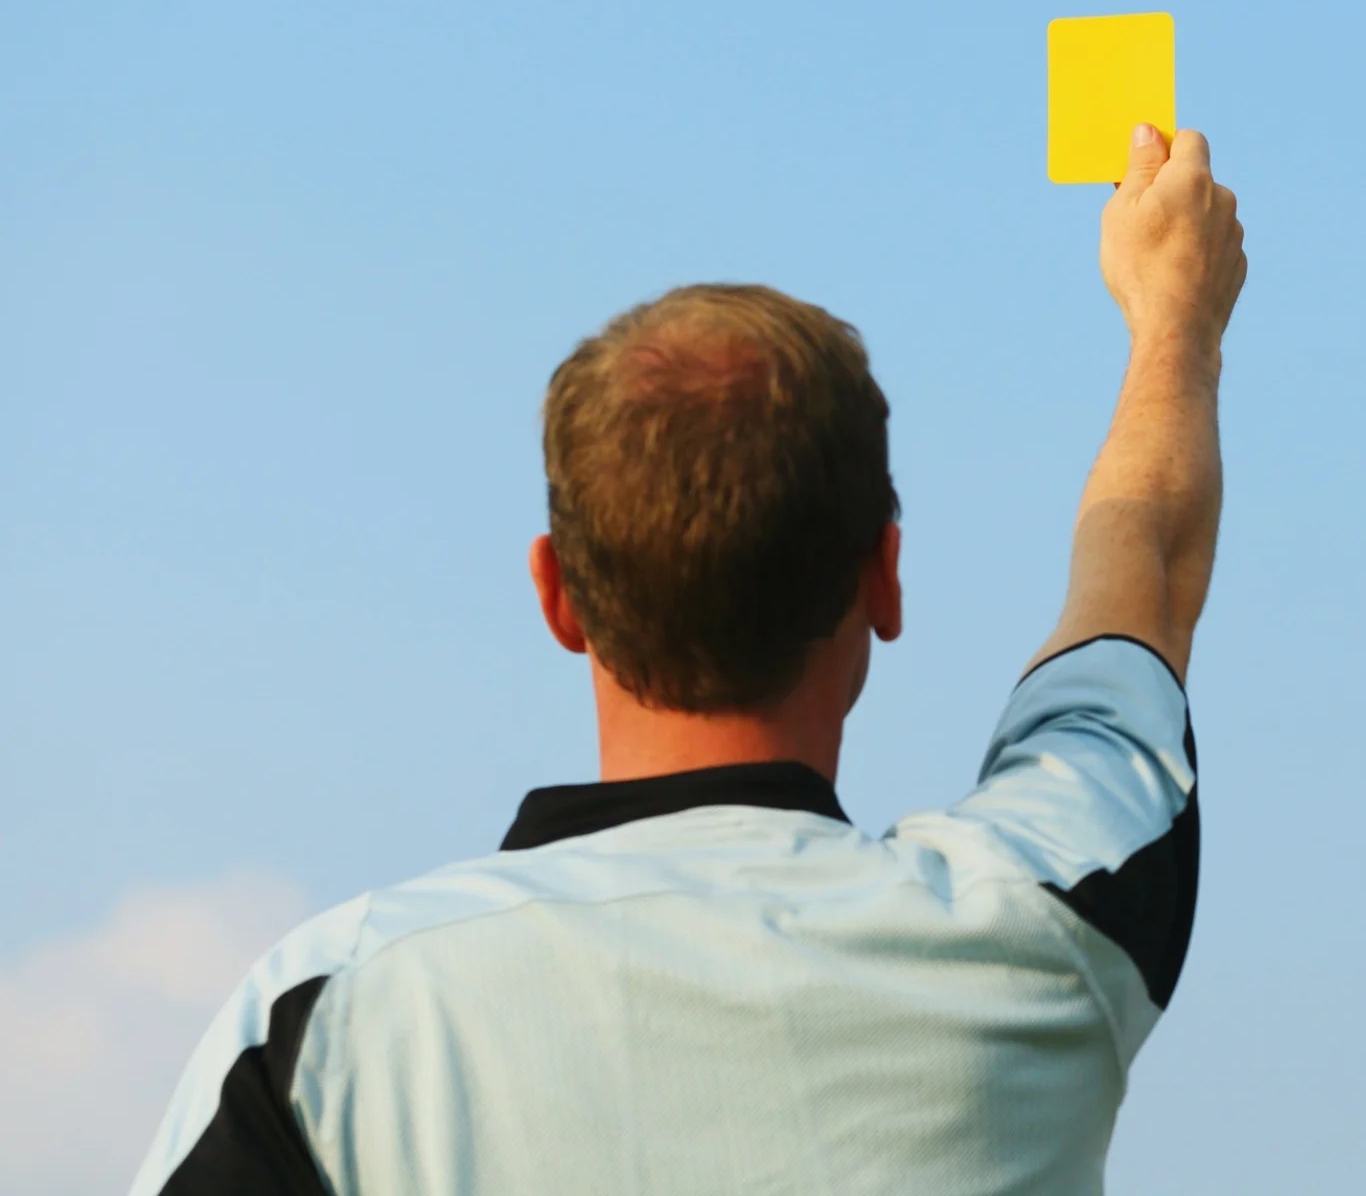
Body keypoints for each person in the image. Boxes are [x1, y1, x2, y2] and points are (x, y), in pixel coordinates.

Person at [128, 123, 1247, 1195]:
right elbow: (1144, 571)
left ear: (558, 596)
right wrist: (1172, 319)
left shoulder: (328, 1018)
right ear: (883, 579)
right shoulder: (1045, 913)